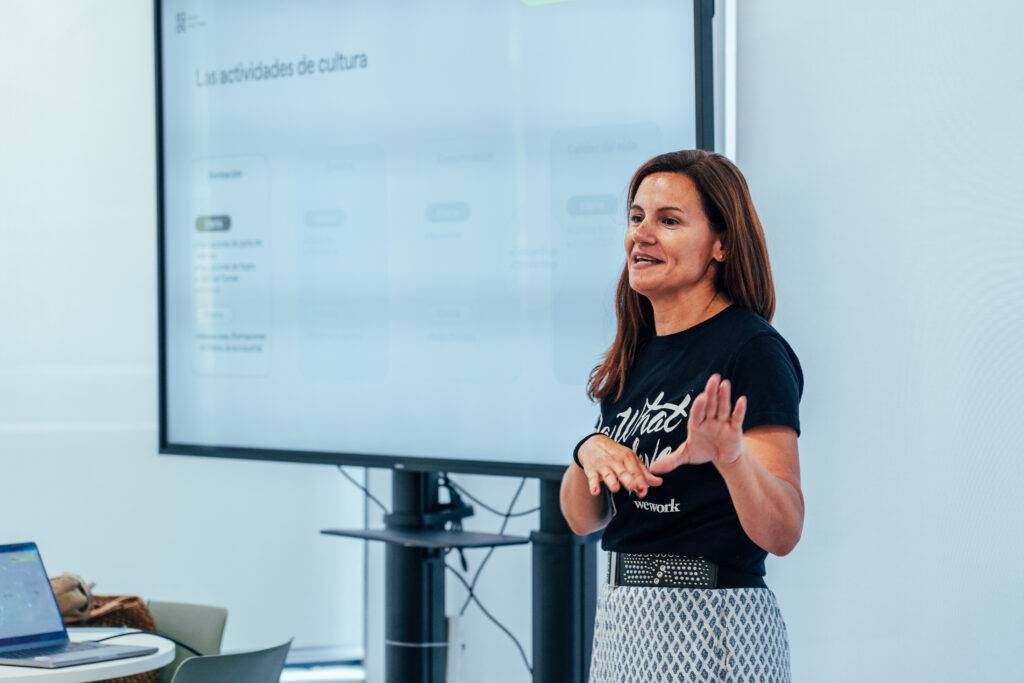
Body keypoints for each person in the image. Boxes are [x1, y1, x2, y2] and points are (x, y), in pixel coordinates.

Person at [559, 149, 804, 682]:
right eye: (636, 217)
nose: (642, 235)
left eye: (669, 221)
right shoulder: (635, 353)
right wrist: (587, 452)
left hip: (716, 627)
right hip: (625, 624)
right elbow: (583, 520)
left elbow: (784, 530)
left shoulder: (752, 350)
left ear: (721, 244)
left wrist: (732, 458)